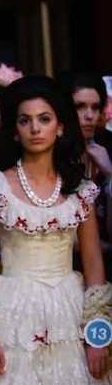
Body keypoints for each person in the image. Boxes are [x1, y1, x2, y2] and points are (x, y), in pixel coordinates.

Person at [0, 75, 112, 385]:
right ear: (15, 130)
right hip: (11, 312)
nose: (35, 129)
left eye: (44, 119)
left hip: (69, 312)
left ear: (60, 126)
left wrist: (97, 334)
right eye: (25, 120)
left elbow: (94, 264)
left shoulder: (80, 189)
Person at [64, 73, 112, 282]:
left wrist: (110, 174)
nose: (90, 115)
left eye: (95, 107)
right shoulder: (51, 152)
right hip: (67, 265)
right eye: (80, 107)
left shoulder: (108, 145)